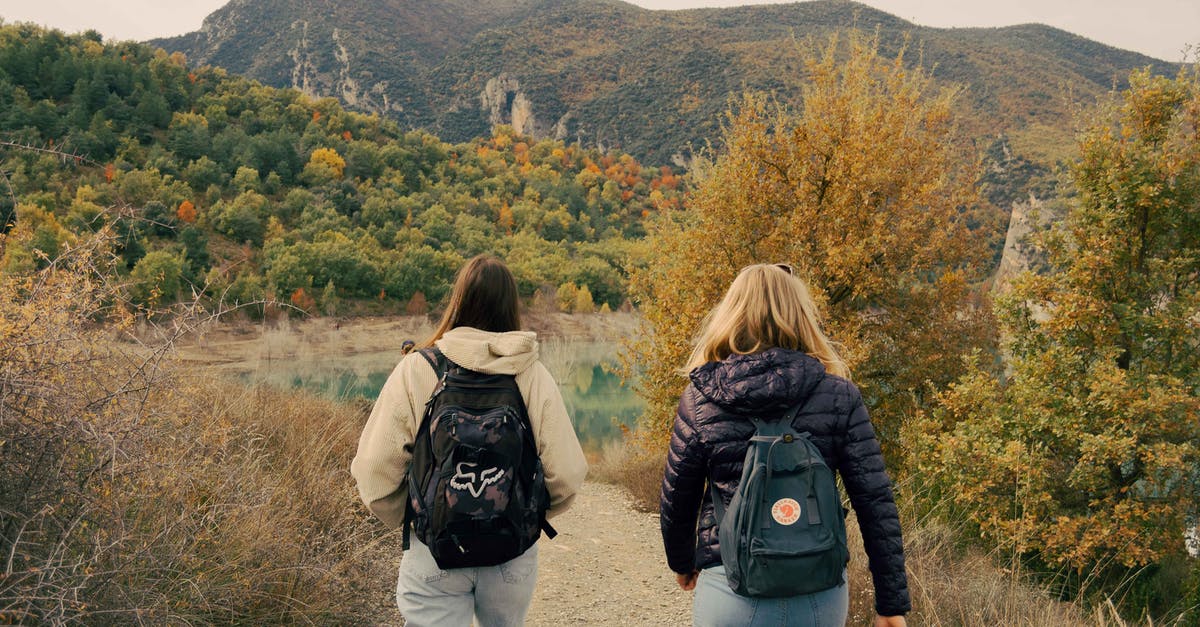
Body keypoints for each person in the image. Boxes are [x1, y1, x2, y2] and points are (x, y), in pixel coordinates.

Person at [659, 263, 910, 627]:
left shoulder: (702, 399)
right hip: (818, 591)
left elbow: (676, 499)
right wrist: (891, 604)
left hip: (730, 587)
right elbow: (875, 502)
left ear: (731, 314)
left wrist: (683, 564)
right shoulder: (839, 395)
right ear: (800, 314)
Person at [352, 254, 588, 627]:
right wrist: (524, 512)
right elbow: (568, 473)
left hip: (434, 550)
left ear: (457, 301)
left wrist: (420, 518)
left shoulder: (418, 368)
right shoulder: (531, 373)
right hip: (510, 552)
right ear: (511, 307)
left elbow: (373, 472)